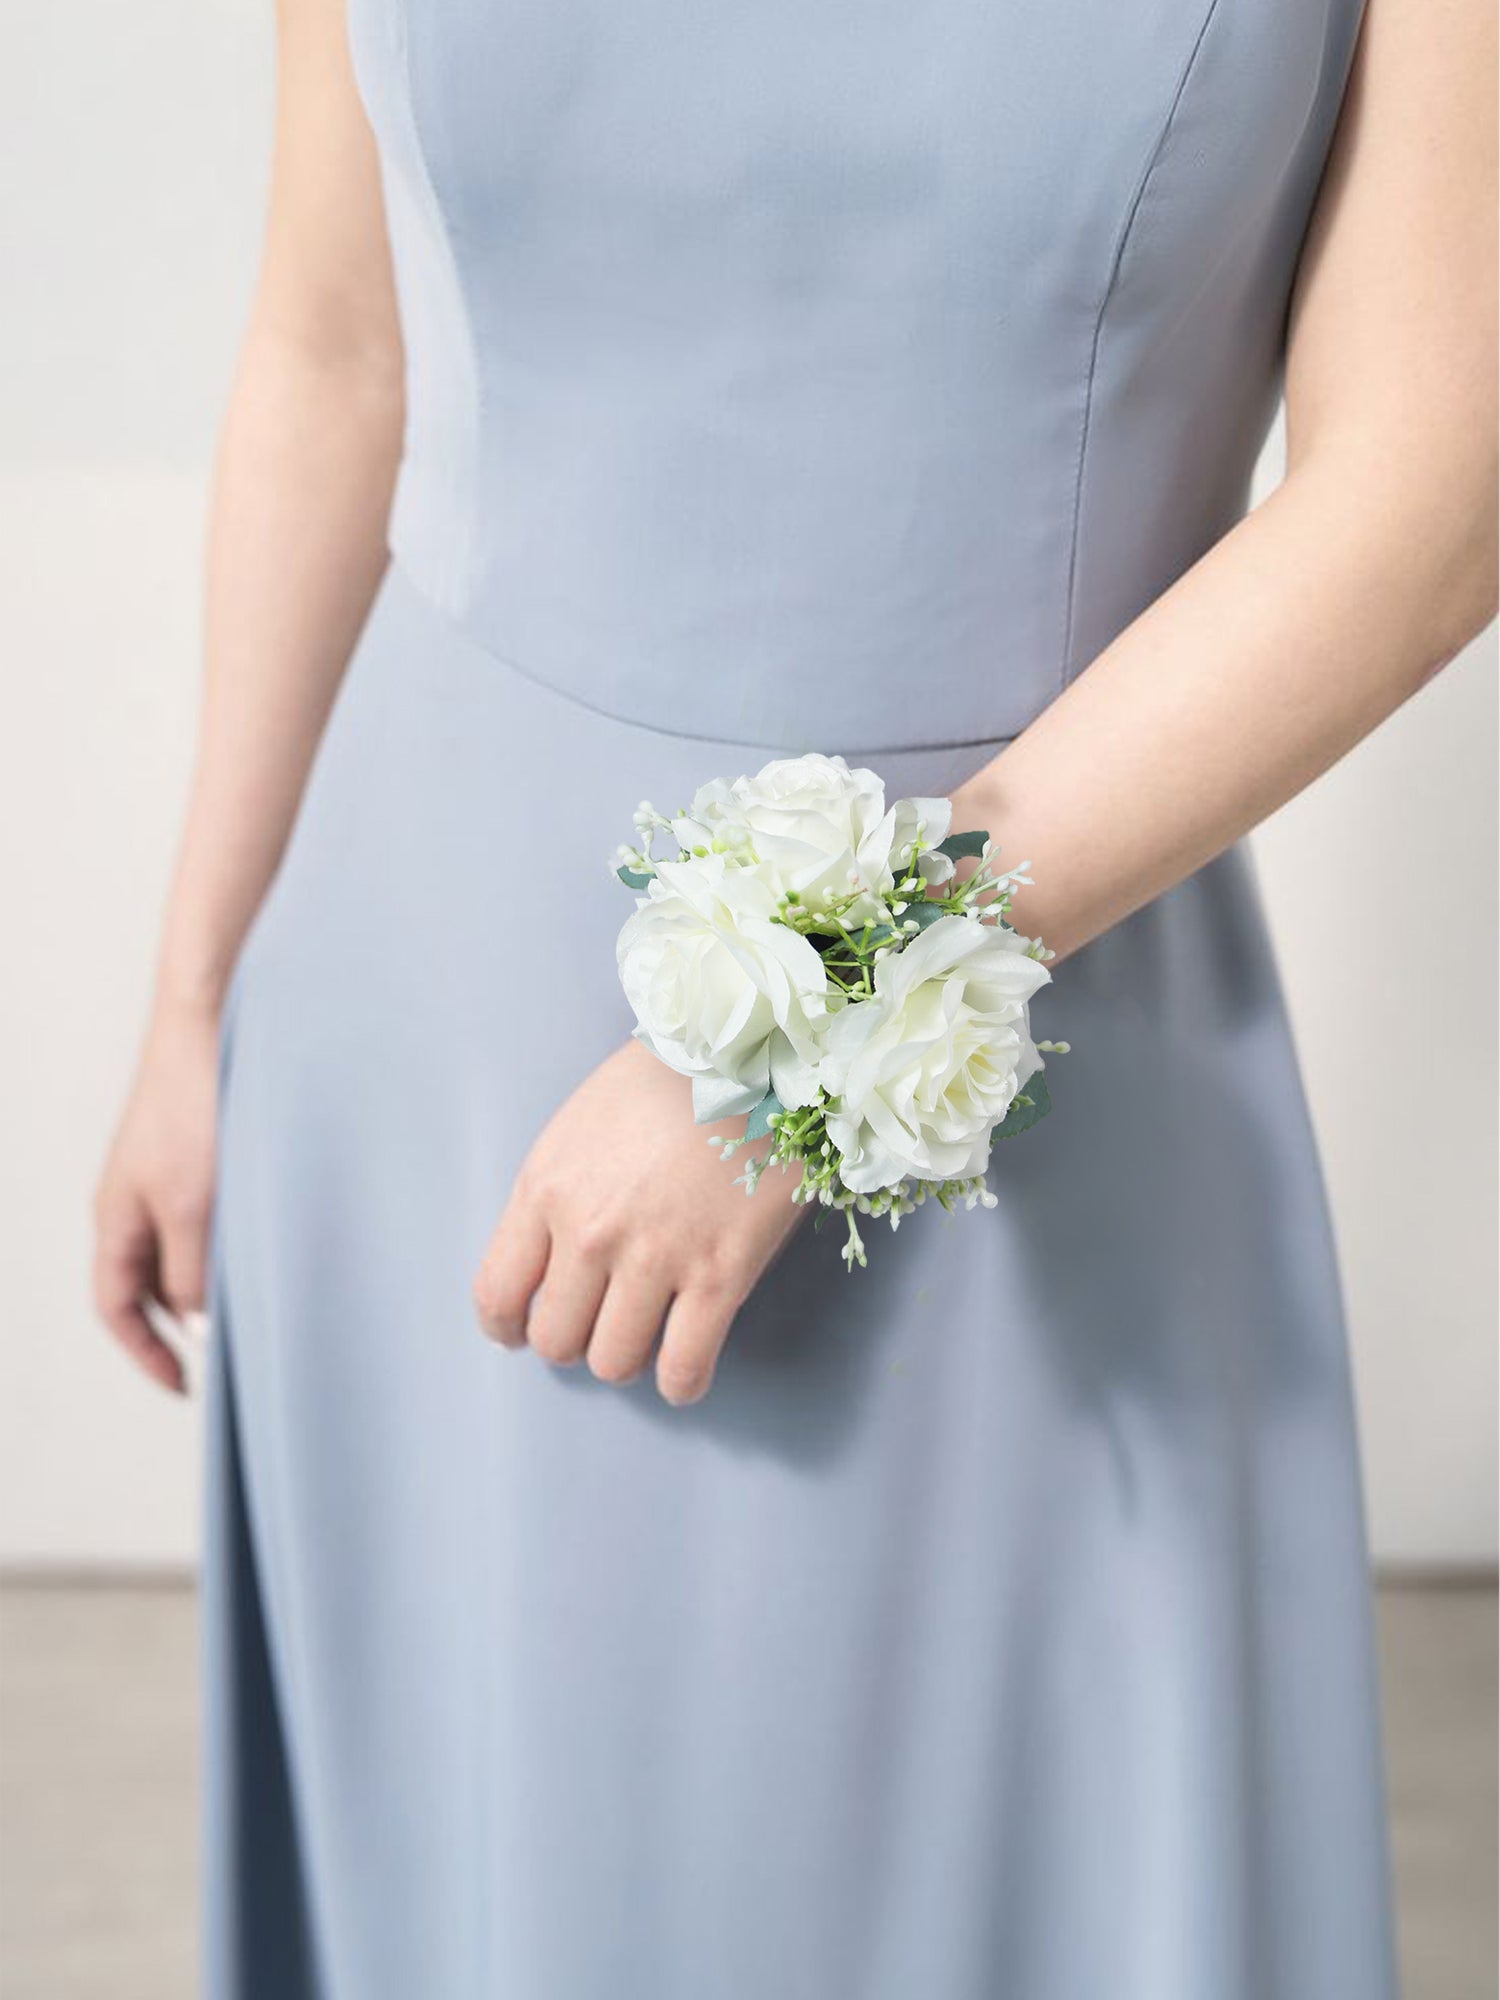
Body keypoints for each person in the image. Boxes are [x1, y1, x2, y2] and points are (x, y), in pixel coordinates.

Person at [94, 0, 1495, 1993]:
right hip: (427, 1045)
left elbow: (1435, 501)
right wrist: (190, 1001)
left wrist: (819, 1011)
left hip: (1014, 1050)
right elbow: (335, 351)